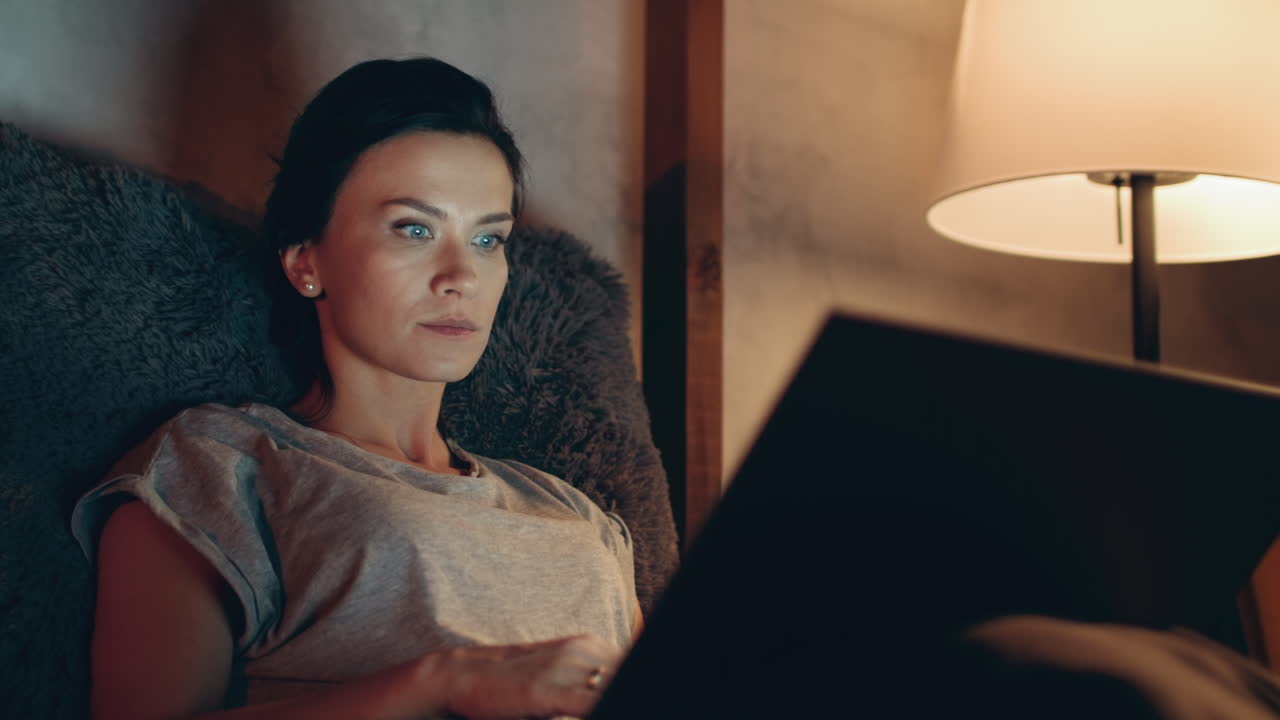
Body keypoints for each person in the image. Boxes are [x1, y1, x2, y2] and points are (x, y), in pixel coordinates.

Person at [71, 57, 641, 720]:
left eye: (489, 238)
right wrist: (437, 684)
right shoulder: (222, 469)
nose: (462, 274)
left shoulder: (580, 517)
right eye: (415, 229)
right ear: (306, 261)